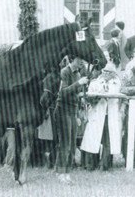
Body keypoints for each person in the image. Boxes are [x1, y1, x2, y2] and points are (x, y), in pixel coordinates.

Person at [54, 56, 89, 184]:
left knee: (72, 144)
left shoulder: (78, 73)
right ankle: (62, 173)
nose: (81, 62)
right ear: (72, 59)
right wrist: (79, 84)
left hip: (73, 111)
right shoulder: (64, 72)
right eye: (79, 59)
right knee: (65, 143)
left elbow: (75, 93)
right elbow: (63, 92)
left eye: (82, 60)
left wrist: (82, 97)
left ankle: (65, 172)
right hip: (63, 110)